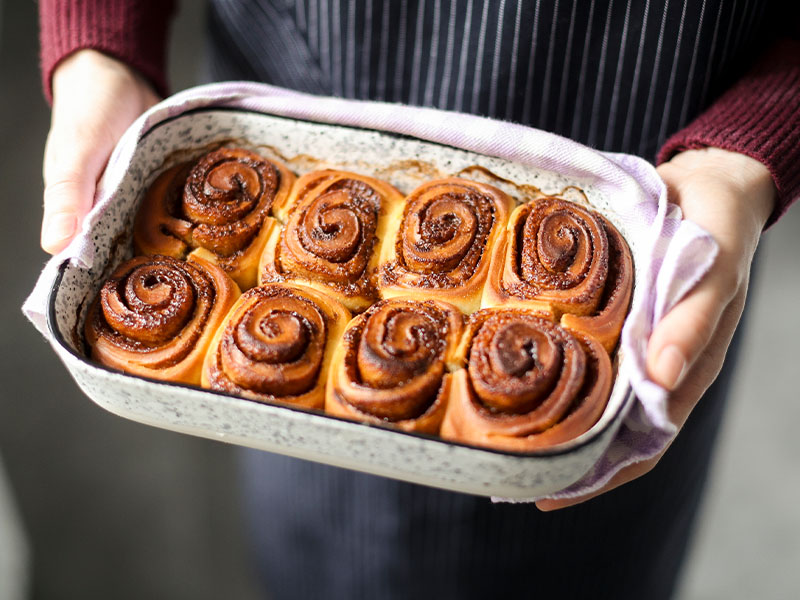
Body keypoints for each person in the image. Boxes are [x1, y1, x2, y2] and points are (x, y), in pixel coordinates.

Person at [37, 1, 799, 598]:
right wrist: (99, 42)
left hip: (658, 174)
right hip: (297, 71)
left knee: (572, 558)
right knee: (315, 527)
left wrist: (752, 146)